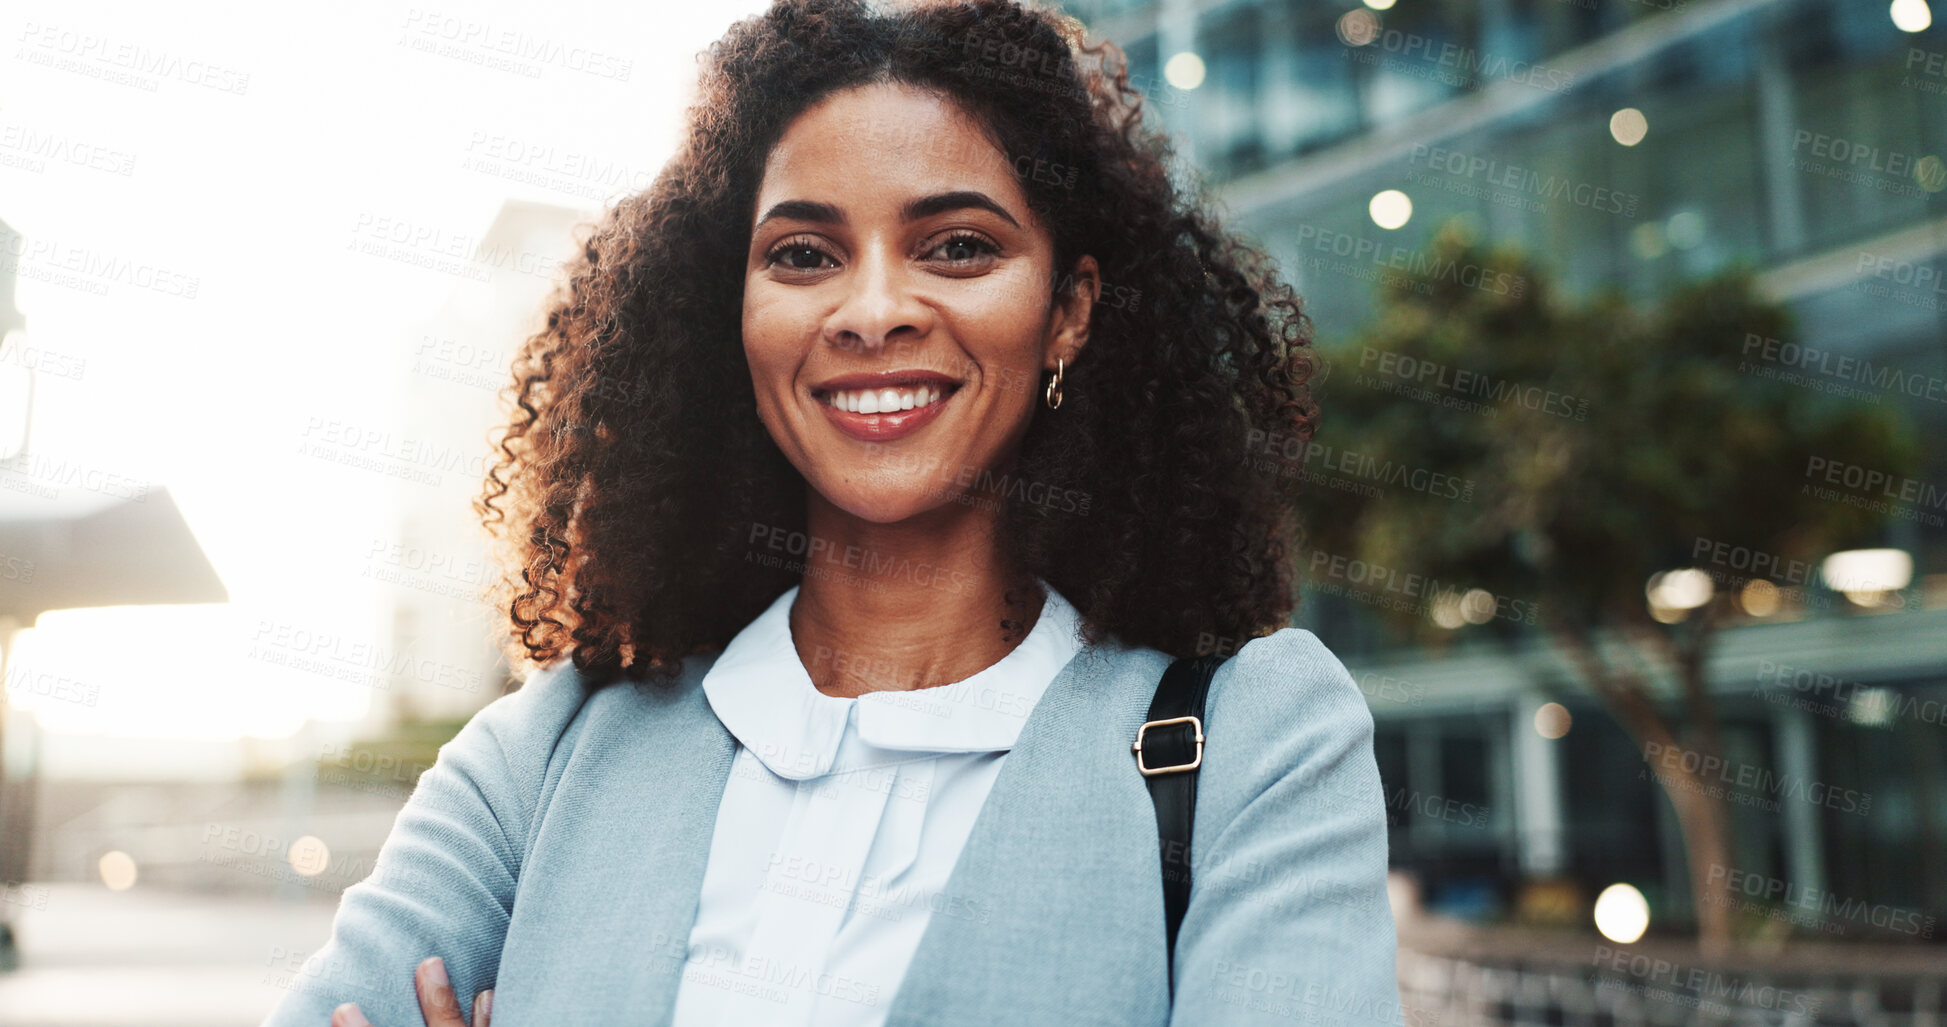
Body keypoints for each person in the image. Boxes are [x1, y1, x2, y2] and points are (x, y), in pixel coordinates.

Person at [262, 0, 1399, 1024]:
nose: (872, 310)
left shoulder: (1256, 747)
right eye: (803, 254)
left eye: (957, 246)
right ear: (736, 315)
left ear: (1069, 313)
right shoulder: (548, 750)